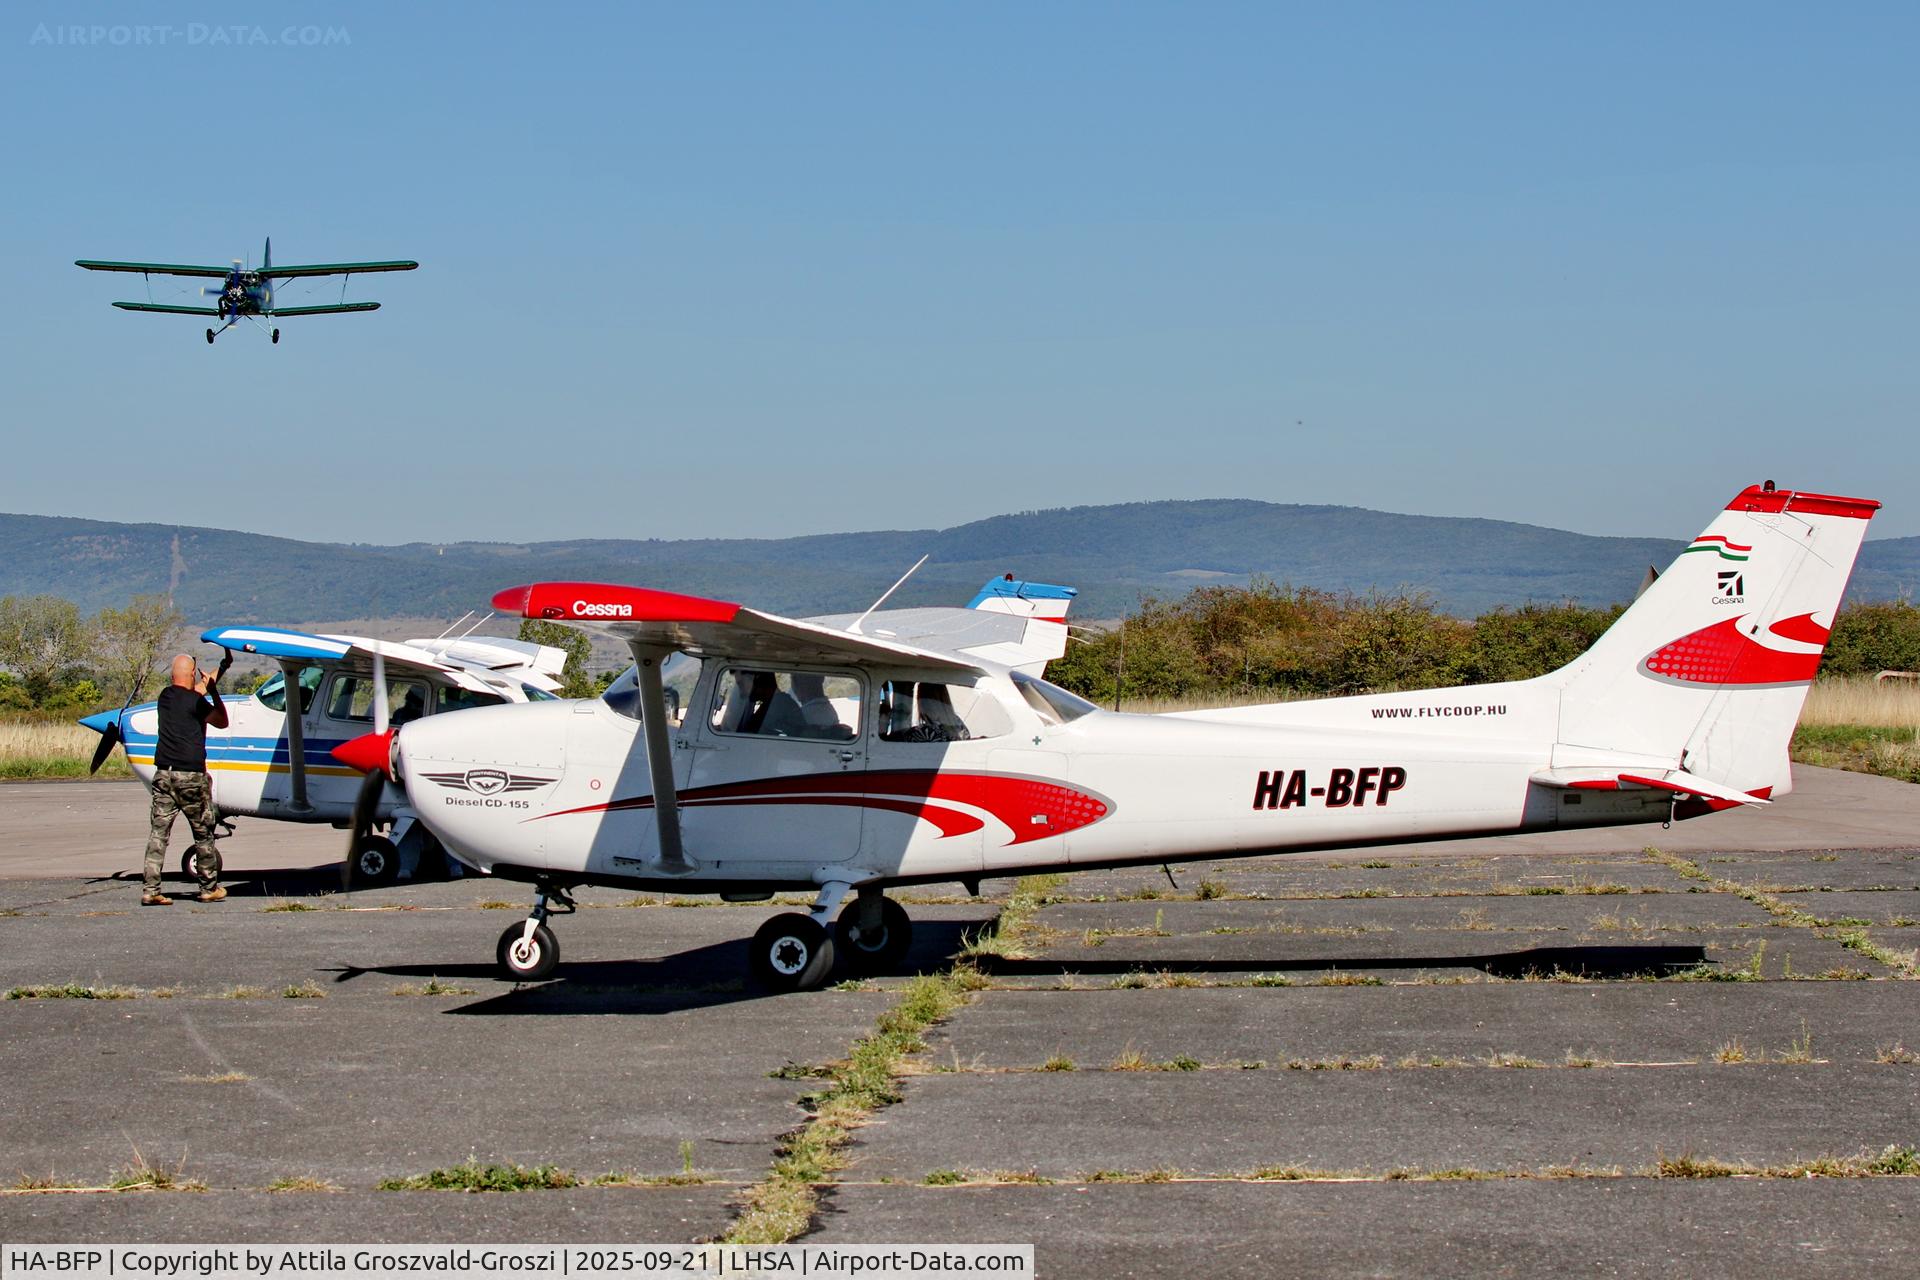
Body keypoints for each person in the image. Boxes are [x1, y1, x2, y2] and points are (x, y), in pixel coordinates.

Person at [141, 652, 231, 906]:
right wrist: (214, 692)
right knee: (203, 833)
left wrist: (222, 667)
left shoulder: (165, 697)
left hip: (163, 776)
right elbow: (222, 721)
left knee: (158, 834)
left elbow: (196, 689)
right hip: (191, 777)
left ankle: (150, 890)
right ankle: (208, 888)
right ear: (191, 674)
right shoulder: (197, 702)